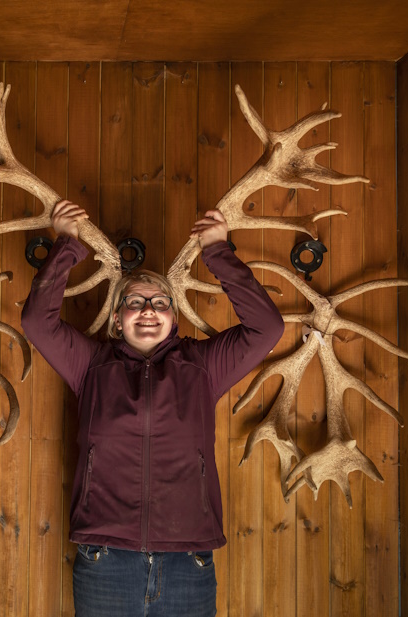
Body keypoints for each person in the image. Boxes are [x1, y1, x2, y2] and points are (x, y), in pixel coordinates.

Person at [21, 200, 284, 616]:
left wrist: (218, 250)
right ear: (116, 320)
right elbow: (38, 322)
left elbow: (267, 328)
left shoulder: (201, 367)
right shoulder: (90, 366)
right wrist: (67, 243)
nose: (148, 310)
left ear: (174, 319)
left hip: (188, 563)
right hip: (106, 561)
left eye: (160, 303)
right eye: (135, 302)